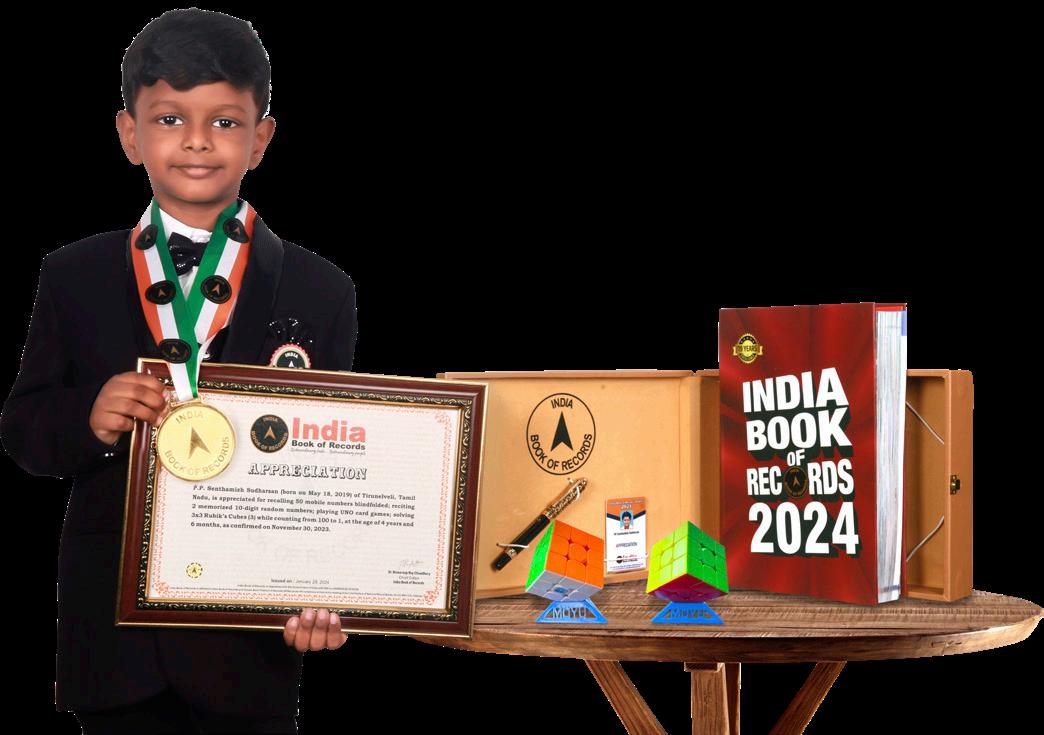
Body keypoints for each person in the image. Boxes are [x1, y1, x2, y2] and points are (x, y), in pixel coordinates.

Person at [0, 9, 356, 733]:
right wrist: (89, 417)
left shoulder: (323, 289)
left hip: (252, 637)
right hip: (113, 636)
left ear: (262, 138)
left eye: (225, 122)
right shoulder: (72, 273)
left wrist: (326, 590)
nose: (197, 140)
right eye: (169, 119)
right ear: (129, 134)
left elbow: (341, 467)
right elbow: (24, 430)